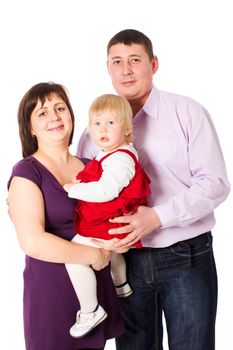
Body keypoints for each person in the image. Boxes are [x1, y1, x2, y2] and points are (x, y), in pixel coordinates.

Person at [76, 29, 231, 350]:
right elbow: (79, 186)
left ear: (154, 64)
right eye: (117, 62)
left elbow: (215, 183)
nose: (126, 70)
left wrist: (157, 218)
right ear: (108, 68)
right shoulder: (93, 133)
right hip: (123, 262)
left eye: (135, 60)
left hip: (186, 256)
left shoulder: (187, 112)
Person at [7, 82, 125, 350]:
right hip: (52, 294)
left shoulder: (90, 167)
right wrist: (95, 256)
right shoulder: (27, 172)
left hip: (95, 290)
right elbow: (32, 242)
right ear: (30, 128)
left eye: (60, 108)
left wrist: (119, 240)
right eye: (42, 113)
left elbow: (111, 216)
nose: (55, 117)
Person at [63, 93, 151, 338]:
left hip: (108, 222)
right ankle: (120, 283)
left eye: (111, 123)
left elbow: (106, 190)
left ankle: (90, 309)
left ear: (126, 129)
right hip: (108, 221)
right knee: (112, 253)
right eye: (97, 123)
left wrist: (74, 189)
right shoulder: (111, 153)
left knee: (73, 254)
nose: (102, 129)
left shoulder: (121, 158)